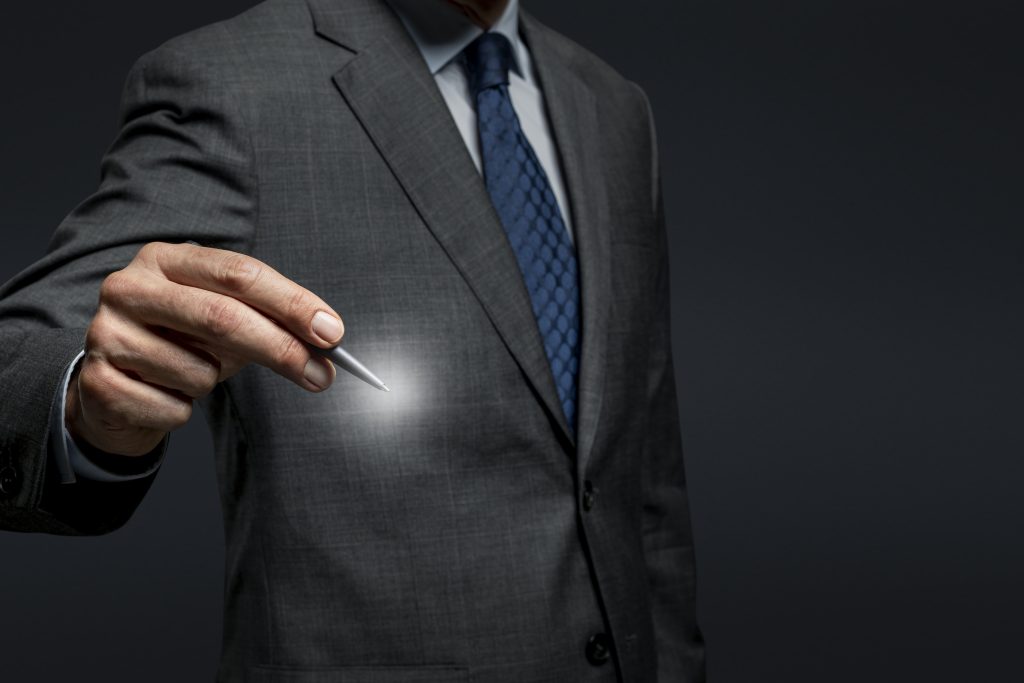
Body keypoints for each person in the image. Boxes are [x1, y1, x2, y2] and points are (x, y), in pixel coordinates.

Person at [0, 0, 704, 680]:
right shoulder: (231, 84)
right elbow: (19, 357)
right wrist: (87, 408)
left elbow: (646, 480)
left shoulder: (613, 107)